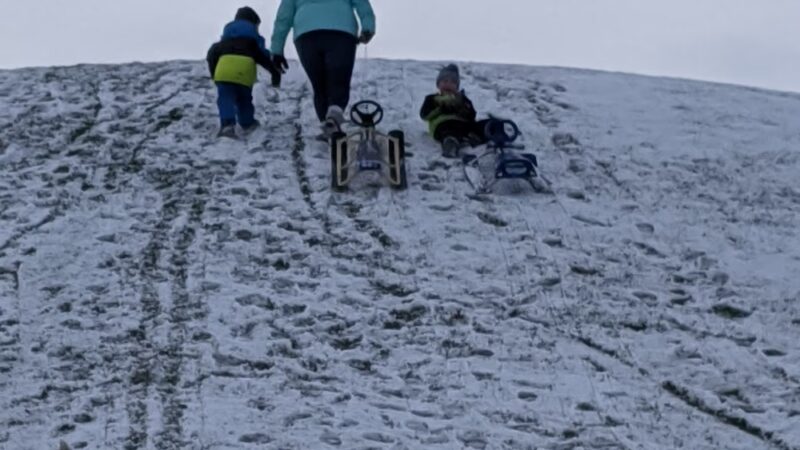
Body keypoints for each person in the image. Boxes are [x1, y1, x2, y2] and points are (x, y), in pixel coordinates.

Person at [269, 0, 376, 138]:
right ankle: (334, 115)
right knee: (339, 79)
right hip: (341, 31)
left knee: (319, 85)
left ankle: (328, 125)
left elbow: (283, 18)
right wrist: (368, 28)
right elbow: (363, 5)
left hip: (306, 35)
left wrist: (277, 50)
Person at [207, 6, 280, 138]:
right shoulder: (254, 41)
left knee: (225, 98)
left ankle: (227, 125)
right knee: (244, 99)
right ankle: (247, 123)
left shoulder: (224, 42)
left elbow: (211, 55)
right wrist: (275, 73)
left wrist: (214, 74)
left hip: (224, 73)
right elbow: (263, 57)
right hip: (244, 74)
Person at [419, 64, 490, 158]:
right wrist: (440, 109)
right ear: (438, 84)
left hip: (463, 124)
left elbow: (472, 115)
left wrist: (463, 108)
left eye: (453, 82)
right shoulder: (432, 98)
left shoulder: (461, 98)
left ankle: (491, 133)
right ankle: (450, 145)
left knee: (482, 125)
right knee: (449, 130)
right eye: (445, 81)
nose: (448, 84)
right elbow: (424, 115)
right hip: (443, 124)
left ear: (457, 86)